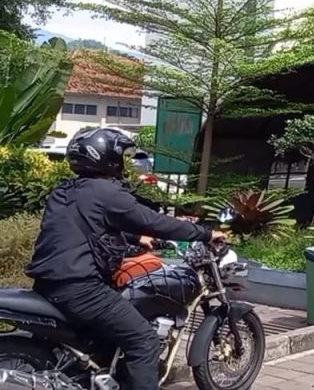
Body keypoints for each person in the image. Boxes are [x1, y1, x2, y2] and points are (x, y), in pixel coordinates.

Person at [26, 127, 225, 390]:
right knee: (145, 341)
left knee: (109, 336)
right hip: (82, 289)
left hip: (48, 283)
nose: (124, 163)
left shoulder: (66, 191)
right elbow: (153, 221)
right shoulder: (107, 193)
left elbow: (88, 225)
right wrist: (205, 233)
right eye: (121, 157)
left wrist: (135, 239)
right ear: (108, 158)